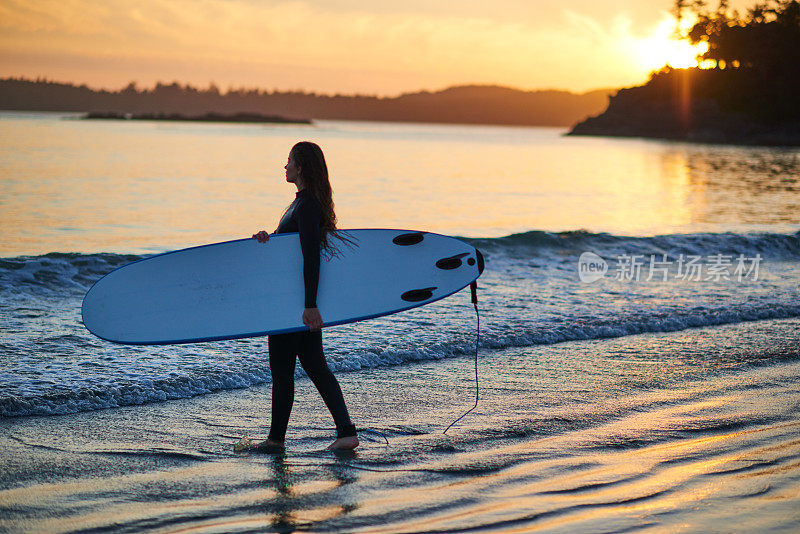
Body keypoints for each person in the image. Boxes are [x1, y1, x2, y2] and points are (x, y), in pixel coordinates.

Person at [251, 141, 358, 451]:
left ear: (301, 167)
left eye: (289, 161)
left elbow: (311, 257)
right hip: (298, 300)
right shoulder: (302, 204)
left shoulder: (307, 205)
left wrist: (309, 306)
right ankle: (346, 431)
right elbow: (291, 254)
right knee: (314, 365)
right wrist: (268, 239)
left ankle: (275, 441)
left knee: (283, 371)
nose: (284, 166)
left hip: (295, 304)